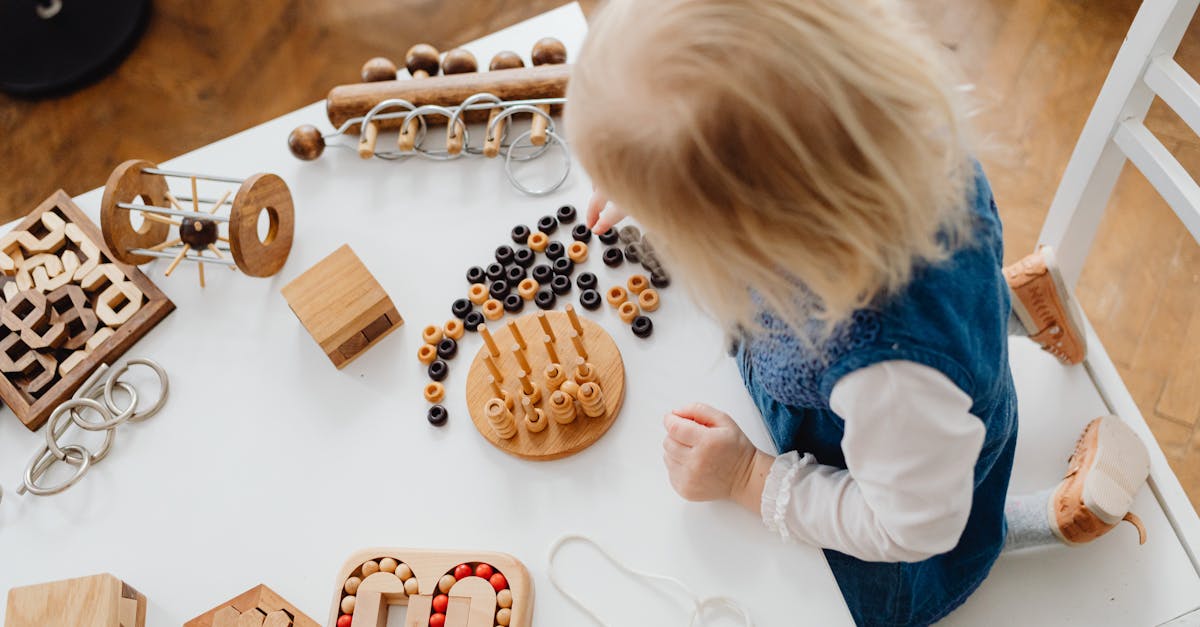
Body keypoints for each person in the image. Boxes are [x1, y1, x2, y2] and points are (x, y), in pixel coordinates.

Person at [565, 0, 1151, 624]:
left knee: (952, 537)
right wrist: (663, 173)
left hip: (908, 512)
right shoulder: (890, 139)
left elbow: (914, 528)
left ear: (754, 228)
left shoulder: (886, 374)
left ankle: (1040, 521)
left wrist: (746, 477)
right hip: (926, 381)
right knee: (947, 331)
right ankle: (1009, 307)